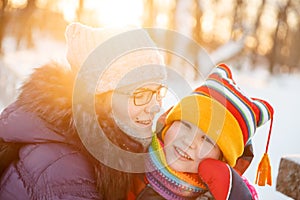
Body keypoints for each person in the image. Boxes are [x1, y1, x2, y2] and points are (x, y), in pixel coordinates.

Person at [0, 22, 167, 199]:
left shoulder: (111, 147)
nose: (155, 106)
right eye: (141, 94)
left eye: (158, 92)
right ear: (100, 96)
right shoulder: (64, 169)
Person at [137, 64, 274, 200]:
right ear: (168, 124)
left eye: (207, 139)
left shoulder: (225, 195)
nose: (189, 142)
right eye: (186, 125)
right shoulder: (131, 159)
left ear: (222, 159)